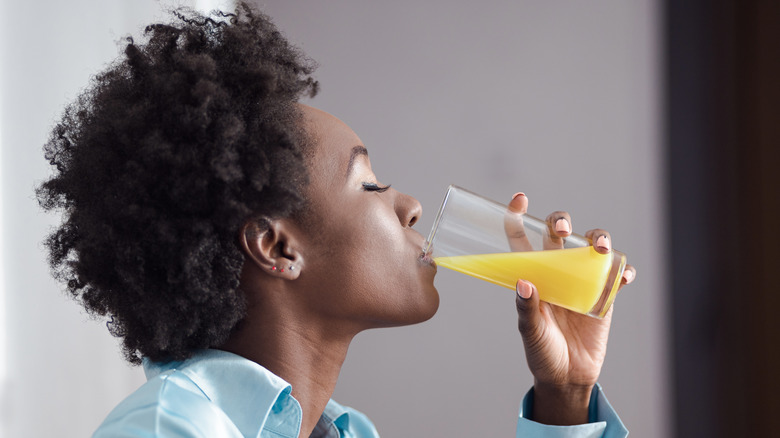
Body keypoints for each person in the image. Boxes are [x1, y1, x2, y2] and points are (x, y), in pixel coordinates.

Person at [36, 3, 636, 437]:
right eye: (369, 183)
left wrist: (567, 395)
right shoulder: (170, 430)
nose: (410, 206)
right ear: (276, 247)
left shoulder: (348, 434)